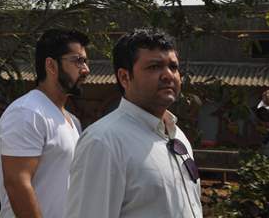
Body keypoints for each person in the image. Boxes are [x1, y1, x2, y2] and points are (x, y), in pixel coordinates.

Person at [65, 28, 203, 218]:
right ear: (124, 77)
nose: (168, 75)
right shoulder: (103, 142)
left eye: (173, 66)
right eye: (154, 67)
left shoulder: (177, 135)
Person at [0, 29, 90, 218]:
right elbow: (17, 183)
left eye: (85, 61)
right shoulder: (27, 112)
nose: (86, 69)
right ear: (51, 65)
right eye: (78, 61)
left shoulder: (73, 121)